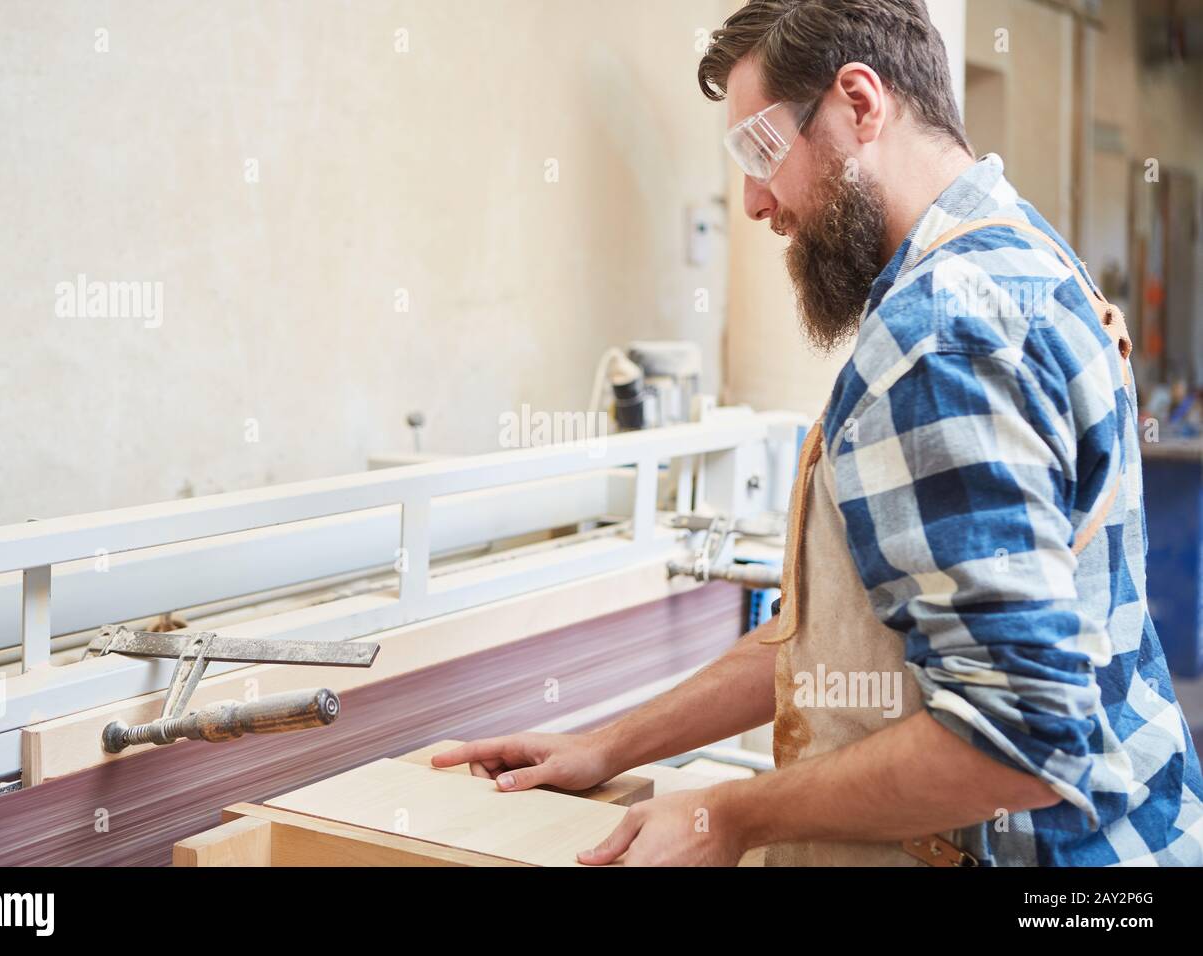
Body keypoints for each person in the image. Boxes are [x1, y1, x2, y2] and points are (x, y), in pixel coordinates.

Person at [435, 0, 1203, 866]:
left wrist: (728, 815)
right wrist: (609, 746)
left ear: (860, 103)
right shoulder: (1021, 249)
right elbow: (849, 639)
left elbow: (1020, 737)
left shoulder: (935, 342)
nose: (757, 201)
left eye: (762, 151)